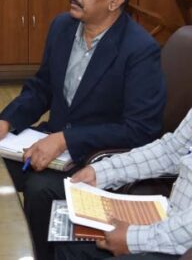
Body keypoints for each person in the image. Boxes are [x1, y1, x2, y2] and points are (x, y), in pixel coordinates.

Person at [0, 0, 166, 260]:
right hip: (54, 143)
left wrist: (66, 139)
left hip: (99, 158)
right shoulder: (63, 27)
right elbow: (42, 87)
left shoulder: (139, 50)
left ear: (114, 0)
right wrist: (7, 122)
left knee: (41, 188)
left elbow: (141, 130)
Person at [55, 108, 192, 259]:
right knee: (72, 242)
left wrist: (133, 239)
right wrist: (101, 172)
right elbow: (170, 151)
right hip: (171, 219)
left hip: (183, 245)